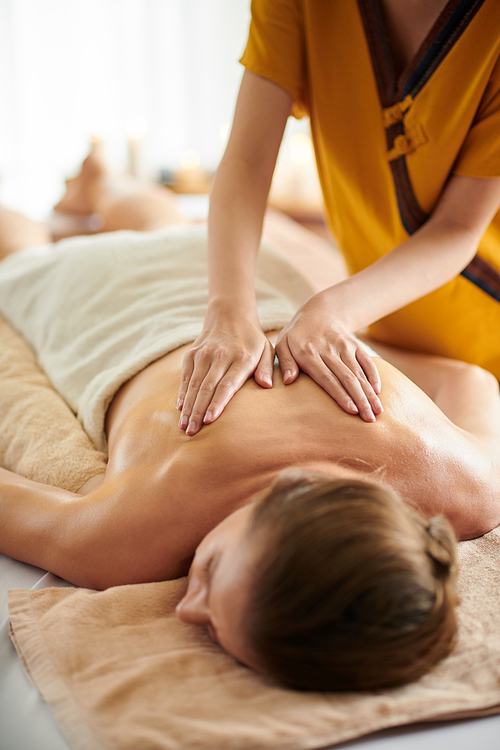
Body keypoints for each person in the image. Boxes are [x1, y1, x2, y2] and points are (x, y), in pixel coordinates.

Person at [0, 149, 499, 692]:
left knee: (159, 222)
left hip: (241, 287)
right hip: (106, 307)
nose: (186, 610)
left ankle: (101, 183)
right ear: (279, 502)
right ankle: (78, 198)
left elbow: (469, 380)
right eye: (211, 576)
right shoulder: (131, 535)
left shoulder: (469, 482)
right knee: (18, 251)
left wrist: (375, 360)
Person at [177, 0, 500, 439]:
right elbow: (247, 161)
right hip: (380, 333)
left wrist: (332, 308)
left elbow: (458, 226)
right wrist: (228, 309)